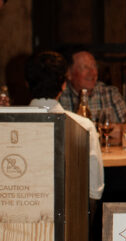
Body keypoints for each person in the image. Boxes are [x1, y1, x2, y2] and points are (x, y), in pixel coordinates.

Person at [24, 50, 104, 202]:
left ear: (26, 84)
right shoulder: (83, 127)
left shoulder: (6, 125)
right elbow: (94, 192)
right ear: (64, 85)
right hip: (70, 214)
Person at [60, 50, 126, 123]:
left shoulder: (110, 94)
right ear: (69, 74)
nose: (92, 72)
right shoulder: (60, 98)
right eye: (85, 67)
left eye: (94, 66)